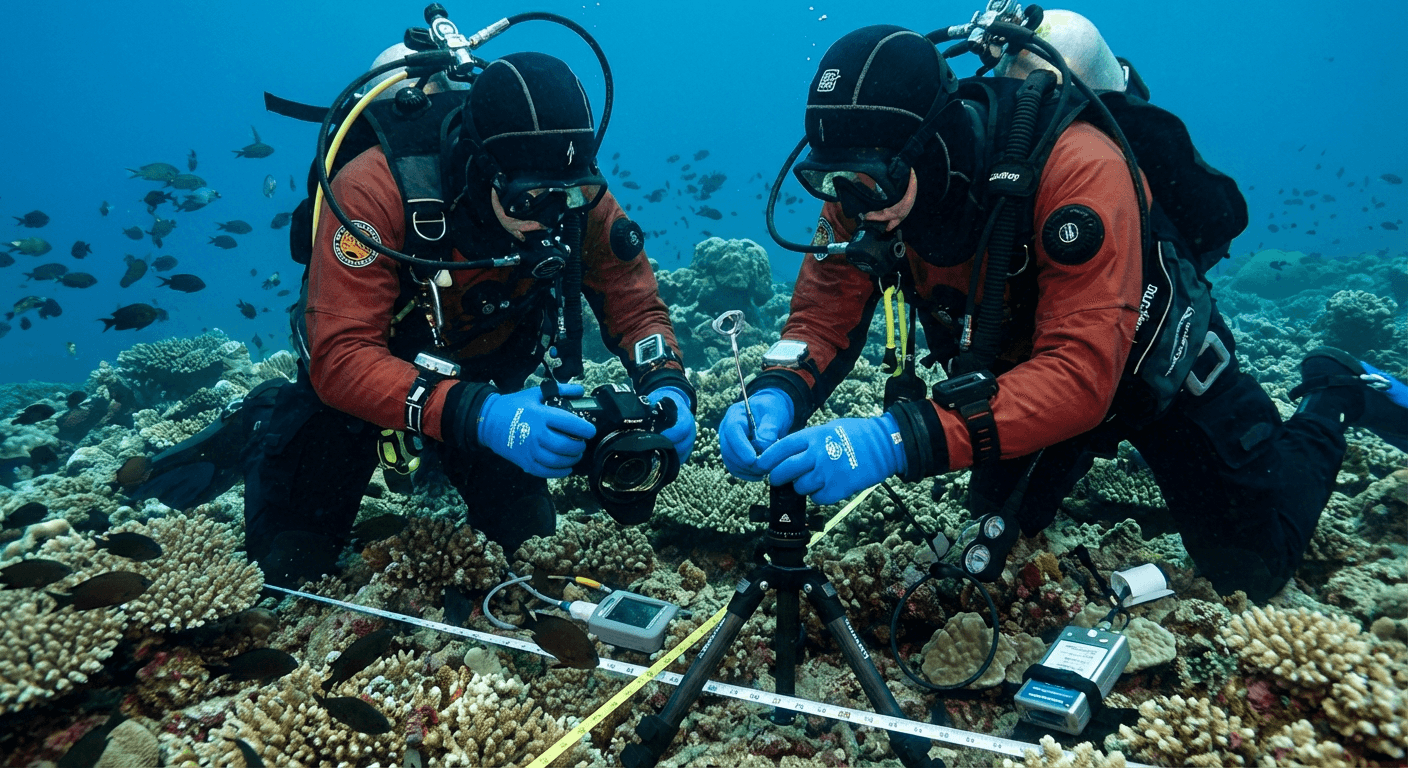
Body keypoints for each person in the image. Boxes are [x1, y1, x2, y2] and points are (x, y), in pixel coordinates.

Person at [719, 22, 1407, 603]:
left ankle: (1335, 392)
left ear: (930, 142)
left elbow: (1082, 375)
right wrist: (777, 391)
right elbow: (823, 315)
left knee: (1251, 568)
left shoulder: (1079, 168)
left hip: (1150, 372)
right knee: (992, 539)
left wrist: (896, 440)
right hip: (1020, 381)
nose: (849, 202)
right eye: (828, 181)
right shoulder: (862, 187)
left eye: (868, 182)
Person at [235, 47, 696, 586]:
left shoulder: (573, 194)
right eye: (529, 199)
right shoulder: (373, 190)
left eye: (574, 195)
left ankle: (442, 449)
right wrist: (482, 417)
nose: (552, 217)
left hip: (489, 384)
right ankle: (262, 417)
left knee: (526, 537)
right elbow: (340, 356)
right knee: (292, 561)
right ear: (484, 169)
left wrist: (666, 382)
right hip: (365, 389)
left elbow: (634, 303)